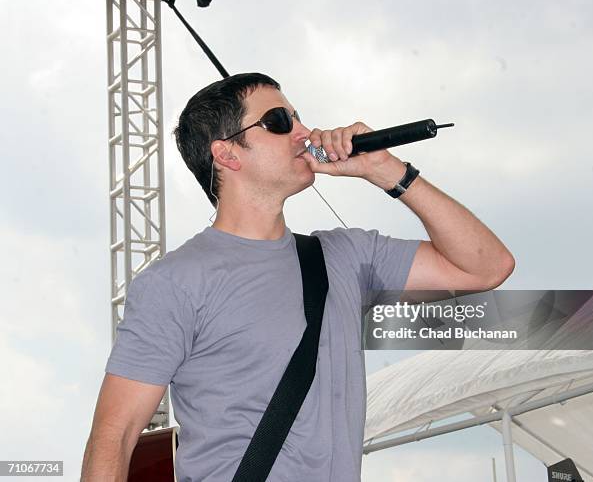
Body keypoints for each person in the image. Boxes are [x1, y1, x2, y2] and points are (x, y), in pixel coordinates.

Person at [81, 73, 514, 481]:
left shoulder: (345, 255)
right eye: (279, 121)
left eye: (298, 117)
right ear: (226, 153)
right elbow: (113, 438)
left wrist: (388, 172)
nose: (304, 132)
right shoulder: (175, 282)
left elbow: (487, 267)